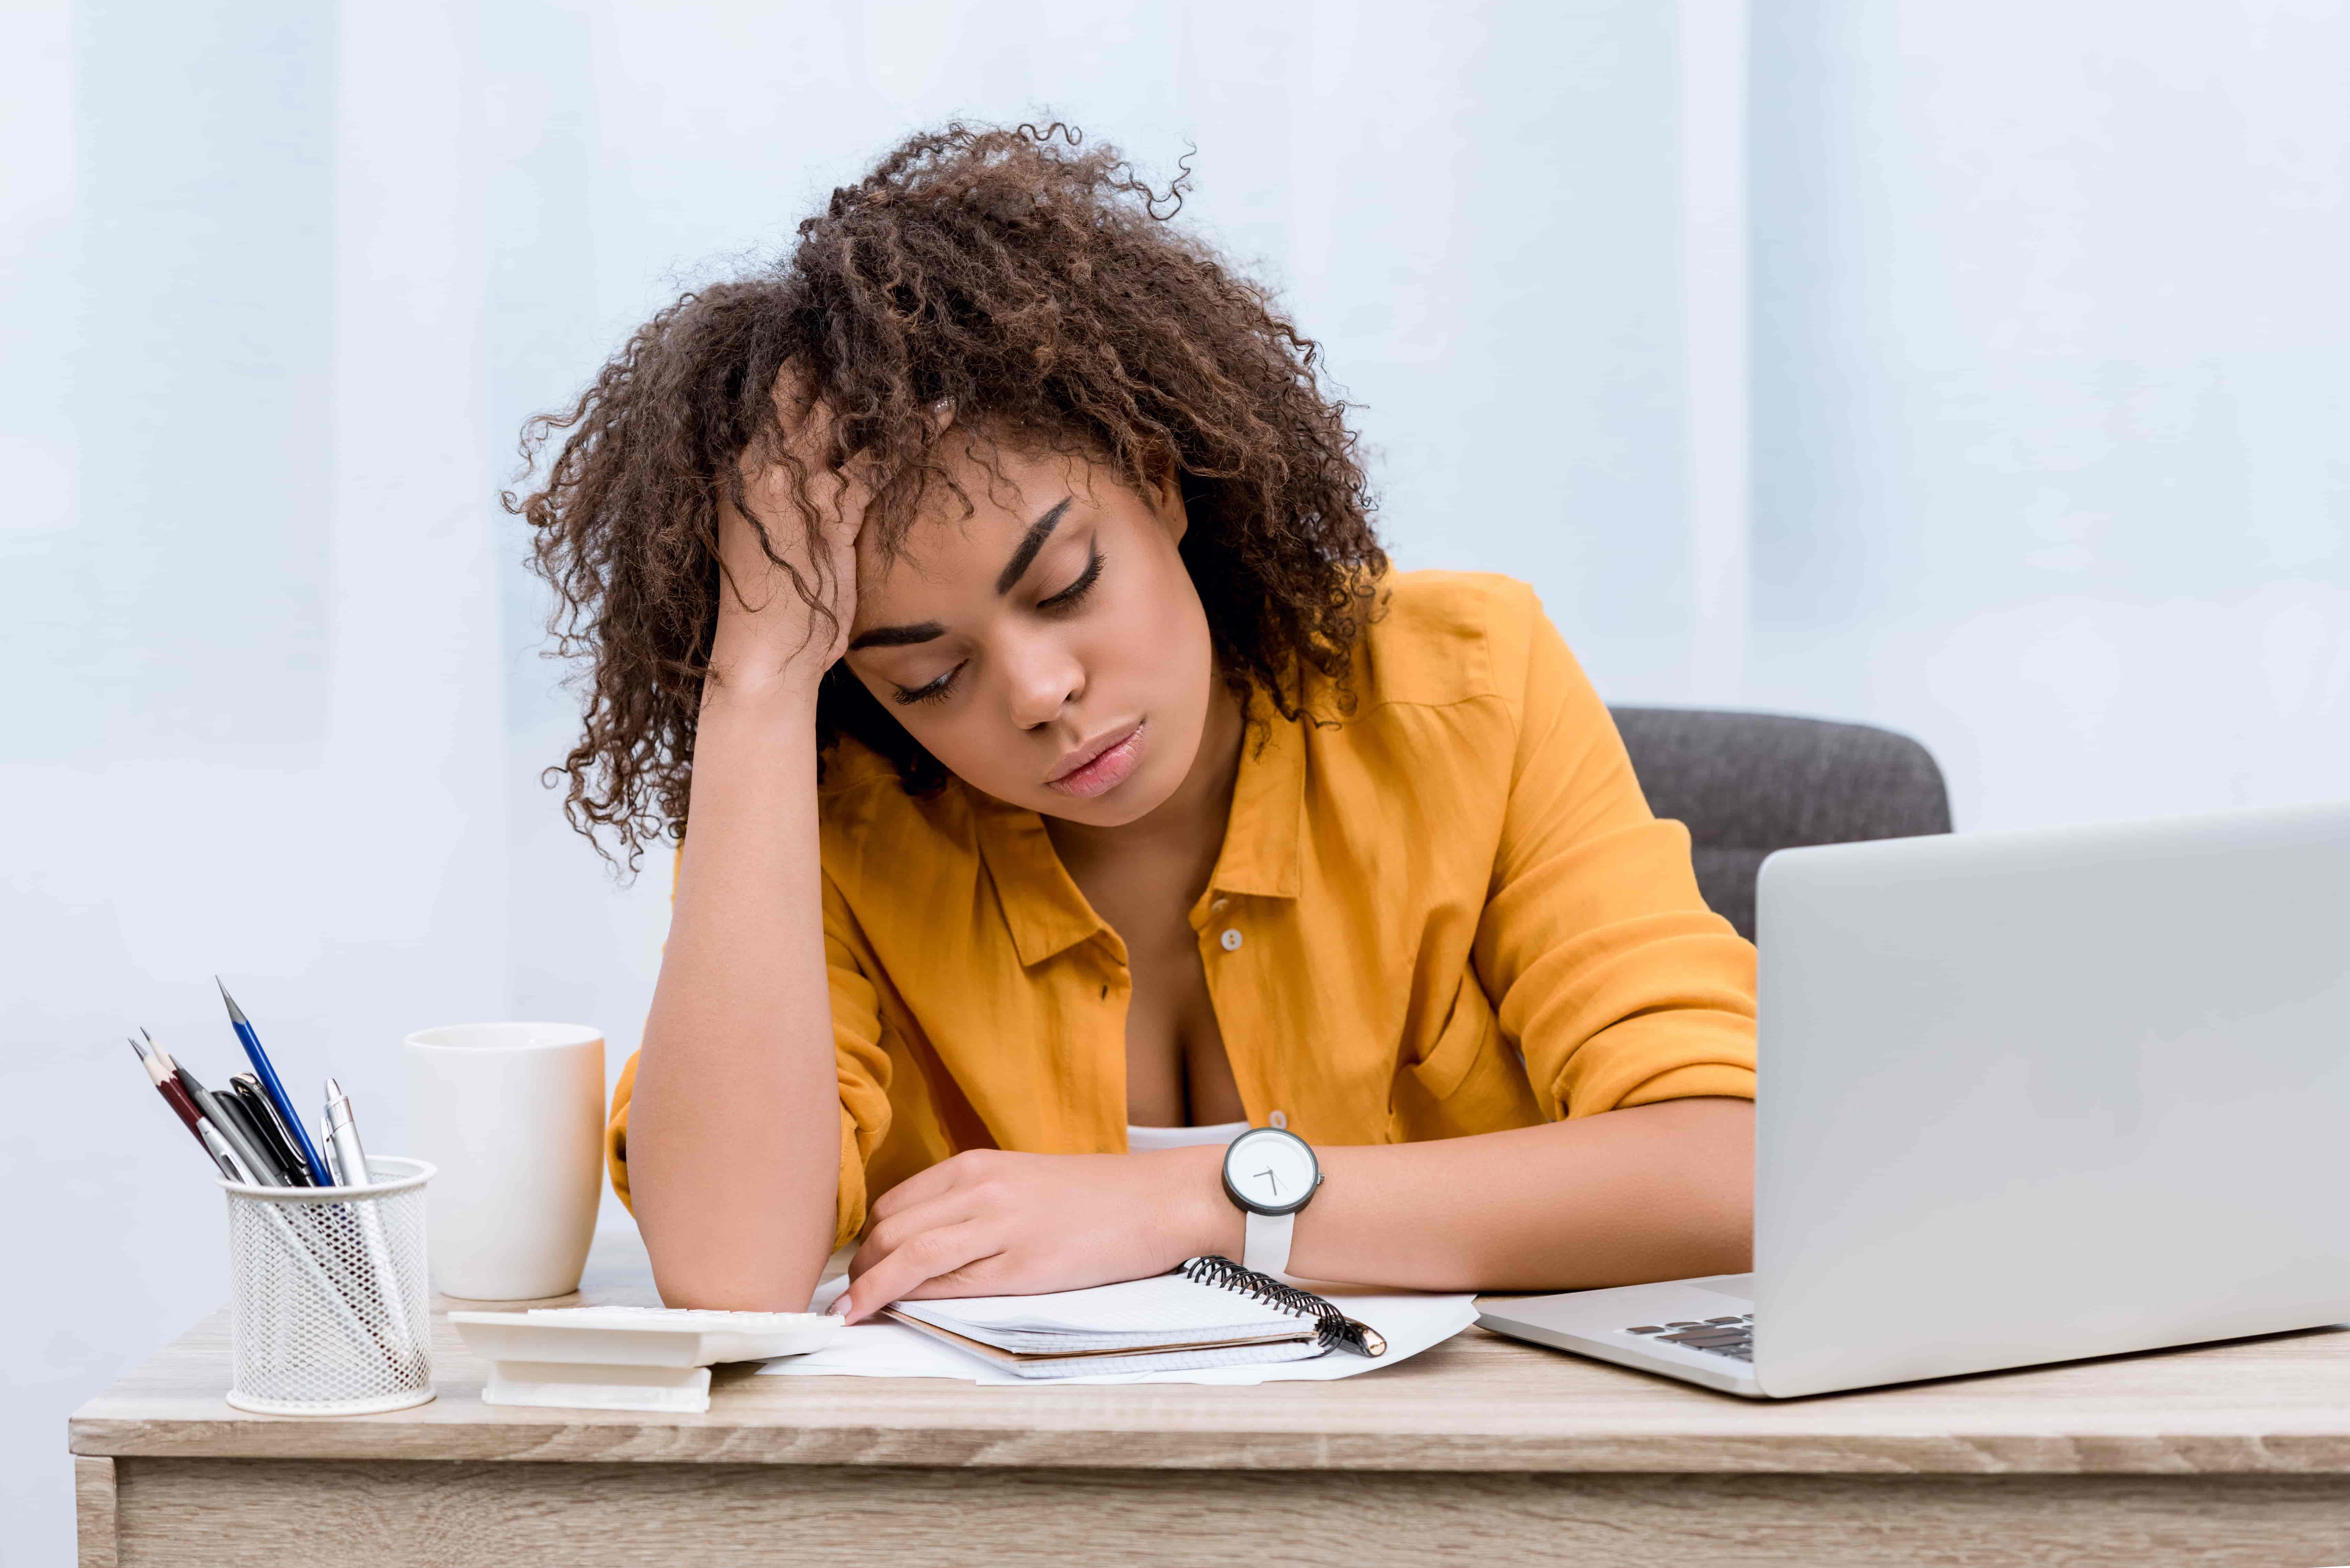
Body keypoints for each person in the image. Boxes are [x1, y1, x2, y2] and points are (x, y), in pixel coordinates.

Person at [513, 123, 1757, 1321]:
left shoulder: (1470, 685)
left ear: (1159, 481)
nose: (1039, 692)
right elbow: (729, 1273)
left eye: (1066, 586)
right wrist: (754, 689)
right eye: (928, 678)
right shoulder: (818, 810)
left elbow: (1736, 1168)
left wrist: (1200, 1201)